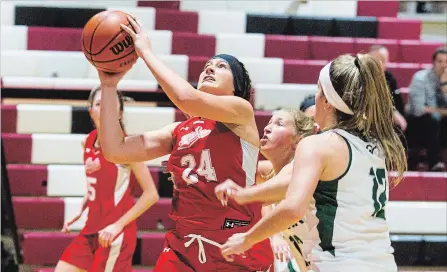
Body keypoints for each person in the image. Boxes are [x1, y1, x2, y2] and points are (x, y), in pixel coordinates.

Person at [96, 16, 273, 272]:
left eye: (221, 66)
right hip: (183, 247)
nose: (209, 69)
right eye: (207, 66)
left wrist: (145, 52)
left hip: (233, 245)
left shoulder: (241, 113)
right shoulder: (179, 131)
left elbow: (185, 98)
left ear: (237, 88)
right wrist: (109, 84)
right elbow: (115, 150)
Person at [219, 54, 407, 272]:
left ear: (327, 100)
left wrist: (247, 239)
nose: (315, 97)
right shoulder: (376, 144)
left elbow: (293, 207)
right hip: (383, 263)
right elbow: (292, 182)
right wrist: (246, 195)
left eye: (318, 90)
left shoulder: (319, 145)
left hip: (339, 265)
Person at [55, 87, 160, 272]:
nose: (103, 109)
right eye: (98, 104)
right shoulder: (87, 141)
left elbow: (151, 195)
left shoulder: (128, 147)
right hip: (90, 231)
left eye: (109, 105)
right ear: (91, 111)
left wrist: (117, 225)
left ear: (119, 112)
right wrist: (80, 211)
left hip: (114, 234)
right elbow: (95, 185)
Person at [252, 109, 316, 272]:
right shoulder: (272, 173)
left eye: (279, 124)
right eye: (269, 123)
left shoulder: (303, 172)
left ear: (298, 140)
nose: (266, 128)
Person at [406, 47, 447, 171]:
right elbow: (418, 110)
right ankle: (433, 163)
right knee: (431, 120)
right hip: (417, 123)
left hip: (439, 123)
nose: (443, 66)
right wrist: (441, 112)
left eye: (446, 62)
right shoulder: (420, 78)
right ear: (433, 63)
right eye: (440, 61)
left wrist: (444, 86)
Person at [369, 45, 407, 132]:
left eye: (383, 60)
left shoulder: (389, 77)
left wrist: (395, 112)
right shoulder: (360, 77)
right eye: (376, 60)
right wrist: (391, 112)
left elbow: (398, 103)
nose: (380, 63)